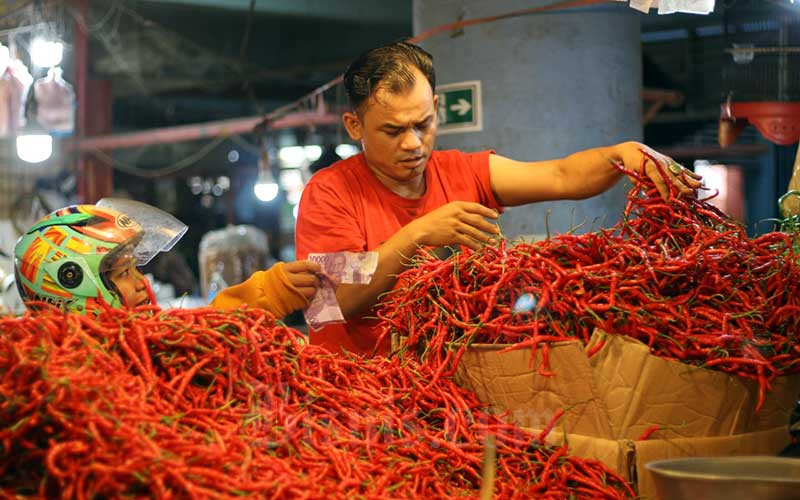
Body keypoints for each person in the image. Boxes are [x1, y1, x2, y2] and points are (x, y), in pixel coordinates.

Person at [295, 40, 703, 356]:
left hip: (442, 392)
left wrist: (621, 155)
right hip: (357, 398)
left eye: (424, 124)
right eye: (392, 130)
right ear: (354, 125)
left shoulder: (463, 171)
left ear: (436, 108)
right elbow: (331, 303)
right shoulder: (329, 193)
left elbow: (562, 176)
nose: (413, 143)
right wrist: (420, 234)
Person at [14, 200, 320, 318]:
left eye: (135, 268)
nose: (140, 283)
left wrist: (268, 291)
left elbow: (192, 333)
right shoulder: (68, 375)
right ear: (72, 281)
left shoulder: (139, 340)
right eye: (123, 272)